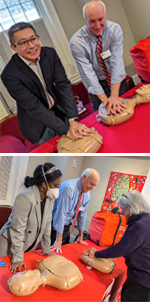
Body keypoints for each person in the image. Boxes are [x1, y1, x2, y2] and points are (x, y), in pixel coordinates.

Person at [1, 22, 94, 145]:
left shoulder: (49, 54)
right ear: (14, 47)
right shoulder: (9, 75)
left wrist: (73, 120)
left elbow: (63, 86)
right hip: (38, 125)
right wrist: (66, 130)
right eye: (23, 42)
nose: (32, 45)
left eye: (33, 39)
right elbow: (34, 107)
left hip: (59, 111)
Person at [83, 190, 150, 302]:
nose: (121, 212)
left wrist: (96, 253)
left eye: (123, 208)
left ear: (131, 208)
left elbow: (120, 249)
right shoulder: (146, 220)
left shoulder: (139, 227)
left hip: (142, 283)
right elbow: (130, 246)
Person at [0, 163, 62, 273]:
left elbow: (47, 225)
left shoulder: (50, 199)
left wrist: (46, 249)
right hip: (8, 248)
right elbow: (17, 230)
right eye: (56, 186)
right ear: (44, 185)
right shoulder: (25, 197)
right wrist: (18, 258)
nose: (58, 189)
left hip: (27, 246)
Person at [69, 1, 128, 113]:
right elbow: (88, 74)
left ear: (105, 16)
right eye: (92, 21)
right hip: (96, 86)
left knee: (126, 112)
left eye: (101, 19)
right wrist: (106, 102)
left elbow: (116, 62)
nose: (97, 26)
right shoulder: (76, 43)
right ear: (85, 20)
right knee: (105, 119)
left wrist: (114, 95)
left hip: (115, 80)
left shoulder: (114, 30)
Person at [50, 168, 100, 253]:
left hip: (66, 227)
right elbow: (61, 214)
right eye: (91, 184)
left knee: (63, 252)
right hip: (54, 226)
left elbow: (82, 216)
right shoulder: (68, 188)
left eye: (95, 186)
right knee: (51, 254)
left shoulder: (87, 195)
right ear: (84, 178)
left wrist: (81, 235)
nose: (92, 189)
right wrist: (59, 240)